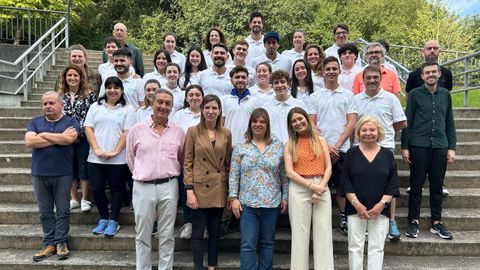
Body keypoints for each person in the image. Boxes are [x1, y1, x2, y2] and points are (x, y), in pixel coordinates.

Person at [127, 89, 185, 270]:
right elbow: (131, 159)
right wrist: (144, 174)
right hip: (143, 186)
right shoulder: (136, 131)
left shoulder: (178, 132)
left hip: (169, 186)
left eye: (168, 103)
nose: (163, 106)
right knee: (142, 234)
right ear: (152, 103)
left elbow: (181, 158)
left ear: (172, 107)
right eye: (160, 102)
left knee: (167, 234)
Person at [401, 62, 456, 240]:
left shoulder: (445, 95)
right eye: (427, 73)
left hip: (440, 145)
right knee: (416, 185)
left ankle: (436, 222)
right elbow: (407, 121)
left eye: (434, 72)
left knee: (437, 186)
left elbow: (450, 122)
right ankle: (414, 221)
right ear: (422, 76)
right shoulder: (415, 95)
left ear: (439, 74)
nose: (431, 75)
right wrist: (405, 146)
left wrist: (452, 147)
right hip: (419, 145)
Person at [229, 108, 288, 270]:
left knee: (268, 243)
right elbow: (234, 174)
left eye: (262, 121)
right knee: (248, 243)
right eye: (255, 121)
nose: (258, 124)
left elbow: (284, 174)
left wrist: (285, 197)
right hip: (247, 204)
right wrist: (233, 198)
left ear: (267, 124)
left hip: (271, 202)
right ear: (250, 124)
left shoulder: (277, 146)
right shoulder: (241, 146)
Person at [25, 91, 80, 261]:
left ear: (61, 104)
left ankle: (61, 242)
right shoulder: (35, 121)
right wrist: (59, 138)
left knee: (63, 210)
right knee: (45, 211)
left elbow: (69, 139)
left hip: (63, 173)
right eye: (45, 104)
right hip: (39, 173)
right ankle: (49, 243)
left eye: (51, 103)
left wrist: (43, 136)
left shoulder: (70, 121)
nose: (47, 106)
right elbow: (29, 142)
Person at [354, 65, 407, 241]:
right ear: (363, 79)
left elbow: (401, 123)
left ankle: (391, 220)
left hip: (385, 147)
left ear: (380, 78)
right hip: (360, 148)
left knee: (388, 186)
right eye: (368, 77)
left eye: (375, 77)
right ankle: (365, 219)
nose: (372, 80)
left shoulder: (391, 98)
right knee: (362, 184)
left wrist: (384, 133)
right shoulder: (356, 99)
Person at [342, 116, 400, 270]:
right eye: (364, 130)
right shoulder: (351, 154)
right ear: (358, 133)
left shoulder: (388, 155)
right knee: (355, 247)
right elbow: (346, 183)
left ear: (378, 132)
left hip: (380, 210)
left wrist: (381, 205)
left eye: (372, 130)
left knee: (377, 247)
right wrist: (357, 205)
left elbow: (392, 184)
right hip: (355, 209)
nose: (368, 133)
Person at [309, 56, 358, 235]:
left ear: (339, 71)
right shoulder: (314, 96)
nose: (330, 72)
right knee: (319, 184)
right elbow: (312, 123)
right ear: (322, 72)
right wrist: (326, 146)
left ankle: (344, 217)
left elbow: (351, 122)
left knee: (341, 186)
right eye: (327, 69)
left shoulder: (348, 95)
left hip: (342, 148)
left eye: (333, 69)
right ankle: (319, 221)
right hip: (320, 148)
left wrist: (336, 145)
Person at [183, 94, 233, 270]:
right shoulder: (192, 131)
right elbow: (187, 162)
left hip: (218, 187)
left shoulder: (226, 132)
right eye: (207, 108)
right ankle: (198, 267)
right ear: (202, 110)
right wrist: (189, 189)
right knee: (197, 233)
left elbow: (227, 162)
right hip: (198, 188)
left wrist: (229, 190)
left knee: (214, 232)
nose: (211, 111)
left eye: (214, 108)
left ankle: (212, 266)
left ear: (220, 111)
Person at [84, 77, 135, 237]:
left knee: (117, 189)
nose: (112, 91)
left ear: (121, 90)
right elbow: (88, 128)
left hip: (118, 159)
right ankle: (103, 218)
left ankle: (114, 220)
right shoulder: (95, 107)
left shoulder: (128, 109)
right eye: (109, 87)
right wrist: (97, 148)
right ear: (105, 89)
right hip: (95, 158)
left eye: (116, 88)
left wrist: (115, 151)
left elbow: (127, 133)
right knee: (97, 188)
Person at [284, 107, 334, 270]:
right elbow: (290, 172)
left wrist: (320, 187)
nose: (298, 123)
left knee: (323, 233)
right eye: (294, 121)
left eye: (300, 119)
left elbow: (328, 168)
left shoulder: (321, 141)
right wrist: (312, 186)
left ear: (307, 119)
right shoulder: (290, 144)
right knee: (300, 234)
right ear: (290, 126)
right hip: (299, 188)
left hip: (321, 186)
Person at [57, 64, 97, 213]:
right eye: (70, 76)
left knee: (83, 168)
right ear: (65, 78)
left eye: (75, 76)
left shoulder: (90, 95)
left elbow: (92, 116)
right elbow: (57, 116)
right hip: (65, 138)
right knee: (69, 168)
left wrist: (79, 133)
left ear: (81, 78)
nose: (72, 78)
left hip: (84, 137)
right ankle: (73, 198)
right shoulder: (59, 96)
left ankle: (85, 199)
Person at [173, 85, 204, 240]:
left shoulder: (206, 114)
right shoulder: (179, 115)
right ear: (186, 98)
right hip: (184, 159)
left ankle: (201, 225)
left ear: (202, 97)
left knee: (201, 193)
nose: (194, 98)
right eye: (191, 95)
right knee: (186, 192)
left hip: (204, 161)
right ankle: (188, 223)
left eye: (198, 95)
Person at [262, 70, 311, 143]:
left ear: (288, 84)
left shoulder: (299, 104)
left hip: (297, 147)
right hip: (274, 150)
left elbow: (307, 127)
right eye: (276, 83)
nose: (279, 85)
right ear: (272, 86)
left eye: (282, 82)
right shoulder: (266, 107)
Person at [221, 66, 261, 145]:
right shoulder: (223, 100)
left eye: (243, 77)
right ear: (231, 80)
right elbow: (220, 125)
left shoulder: (256, 101)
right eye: (237, 77)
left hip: (249, 145)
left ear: (247, 80)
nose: (240, 80)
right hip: (228, 145)